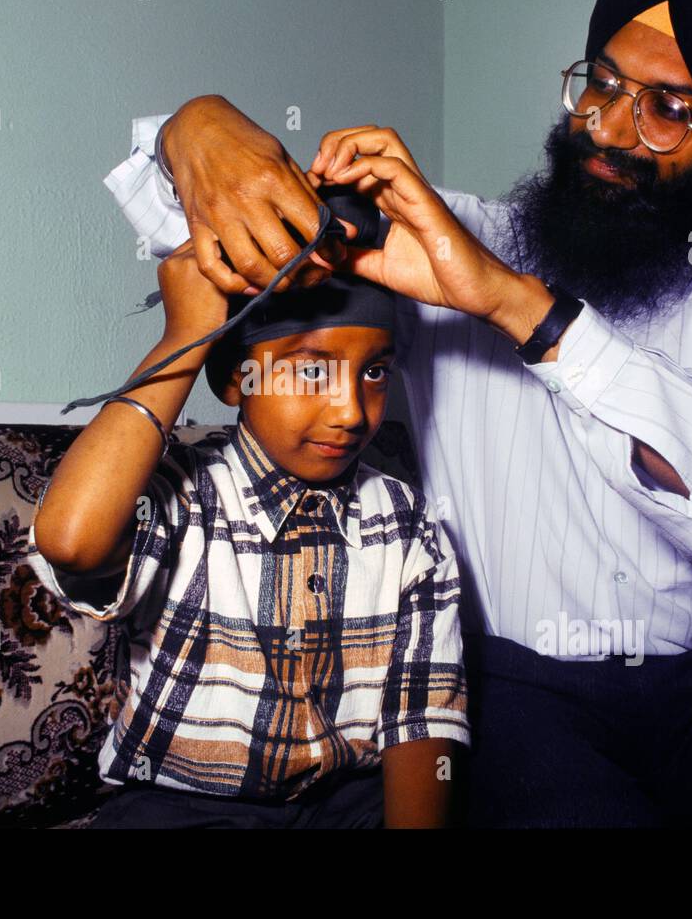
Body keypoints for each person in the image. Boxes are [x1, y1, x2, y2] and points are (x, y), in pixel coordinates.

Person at [96, 0, 692, 826]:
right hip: (516, 690)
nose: (609, 128)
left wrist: (518, 308)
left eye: (667, 107)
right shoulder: (440, 235)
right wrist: (195, 130)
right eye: (604, 84)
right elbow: (199, 221)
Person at [27, 243, 469, 828]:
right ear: (237, 377)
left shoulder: (405, 518)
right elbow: (72, 542)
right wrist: (185, 335)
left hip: (347, 800)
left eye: (374, 372)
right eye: (313, 369)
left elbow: (423, 718)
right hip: (183, 808)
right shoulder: (183, 496)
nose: (351, 412)